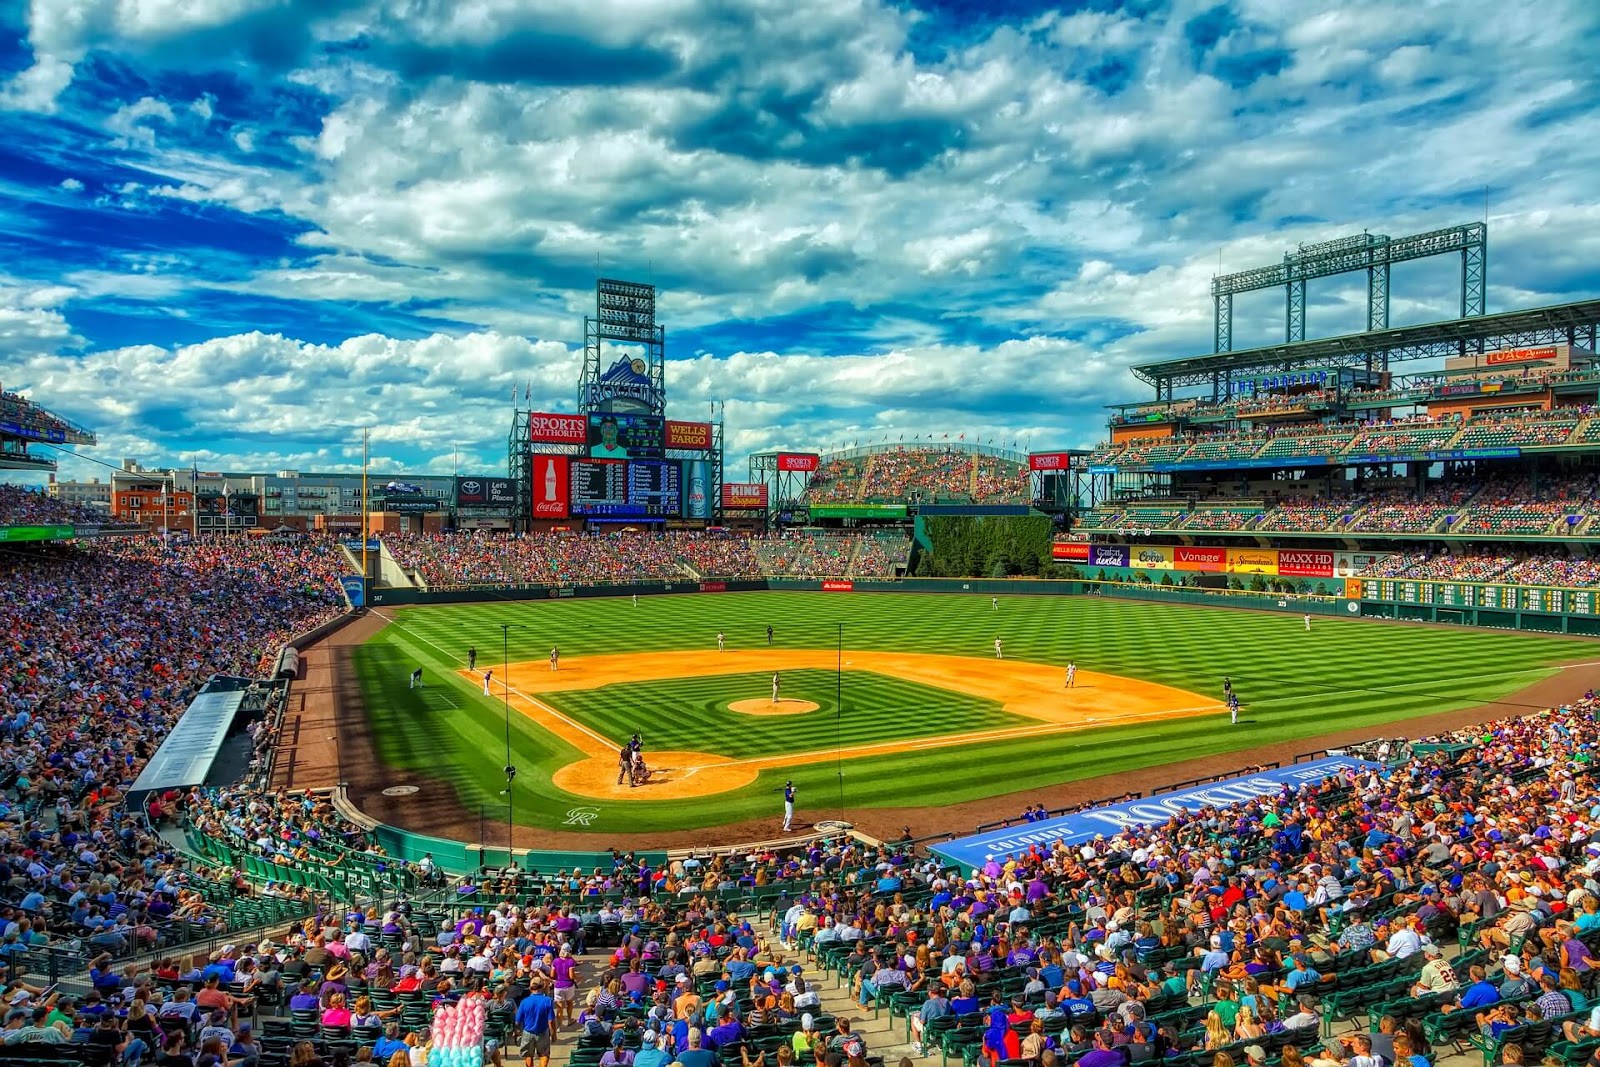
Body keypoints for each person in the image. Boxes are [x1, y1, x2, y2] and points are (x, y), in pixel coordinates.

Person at [517, 978, 556, 1067]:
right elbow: (551, 1020)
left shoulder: (524, 1002)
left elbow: (518, 1020)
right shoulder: (548, 1001)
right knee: (544, 1055)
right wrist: (553, 1034)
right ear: (542, 987)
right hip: (543, 1032)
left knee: (528, 1055)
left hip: (528, 1032)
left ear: (530, 989)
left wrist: (517, 1031)